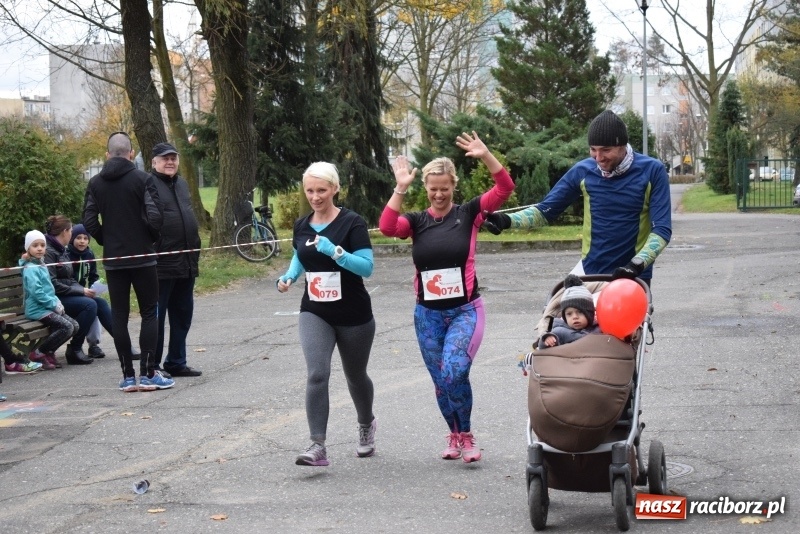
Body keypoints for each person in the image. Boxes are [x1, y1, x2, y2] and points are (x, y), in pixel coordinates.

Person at [379, 131, 515, 463]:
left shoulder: (469, 214)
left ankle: (467, 435)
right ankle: (454, 435)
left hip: (465, 310)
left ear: (454, 185)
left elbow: (505, 189)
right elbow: (385, 226)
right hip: (427, 315)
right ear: (425, 188)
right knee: (441, 380)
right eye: (433, 189)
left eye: (445, 188)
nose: (439, 194)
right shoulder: (416, 221)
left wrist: (485, 155)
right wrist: (400, 187)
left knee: (454, 371)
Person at [483, 110, 672, 286]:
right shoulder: (584, 170)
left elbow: (662, 230)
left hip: (632, 274)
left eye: (606, 150)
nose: (598, 158)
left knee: (618, 322)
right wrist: (506, 220)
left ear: (622, 146)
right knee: (555, 315)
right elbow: (544, 211)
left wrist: (636, 265)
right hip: (590, 270)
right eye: (593, 149)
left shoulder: (651, 170)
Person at [276, 161, 376, 467]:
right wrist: (289, 277)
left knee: (355, 376)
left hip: (354, 313)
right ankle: (317, 446)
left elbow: (367, 268)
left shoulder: (352, 223)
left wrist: (336, 252)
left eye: (321, 190)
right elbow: (299, 255)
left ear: (334, 189)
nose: (315, 196)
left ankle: (366, 424)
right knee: (317, 374)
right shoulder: (302, 225)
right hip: (315, 311)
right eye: (310, 190)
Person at [83, 131, 174, 393]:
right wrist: (150, 240)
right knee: (149, 312)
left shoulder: (95, 183)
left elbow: (89, 221)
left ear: (107, 154)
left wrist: (107, 240)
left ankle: (127, 376)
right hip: (143, 257)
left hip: (114, 259)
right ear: (131, 154)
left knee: (120, 316)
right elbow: (156, 217)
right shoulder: (143, 179)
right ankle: (148, 374)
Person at [149, 142, 202, 378]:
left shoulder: (181, 184)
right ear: (154, 162)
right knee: (157, 319)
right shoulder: (148, 185)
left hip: (187, 261)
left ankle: (176, 361)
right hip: (161, 264)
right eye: (165, 158)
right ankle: (153, 364)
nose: (170, 162)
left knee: (182, 315)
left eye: (173, 158)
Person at [43, 215, 112, 365]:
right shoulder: (49, 251)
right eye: (72, 232)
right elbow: (52, 284)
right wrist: (81, 292)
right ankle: (75, 349)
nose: (72, 235)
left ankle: (122, 342)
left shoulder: (60, 250)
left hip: (64, 295)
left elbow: (70, 278)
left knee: (98, 301)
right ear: (65, 232)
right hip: (52, 299)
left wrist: (84, 290)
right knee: (89, 305)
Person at [19, 230, 79, 370]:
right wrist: (53, 304)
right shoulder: (30, 268)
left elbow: (49, 288)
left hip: (47, 306)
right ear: (28, 248)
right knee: (67, 326)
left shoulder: (41, 264)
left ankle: (49, 351)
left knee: (74, 326)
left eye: (42, 245)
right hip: (37, 309)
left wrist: (57, 302)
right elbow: (37, 292)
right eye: (35, 245)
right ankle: (39, 353)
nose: (39, 248)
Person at [538, 274, 600, 348]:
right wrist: (547, 339)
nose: (575, 317)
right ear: (564, 316)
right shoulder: (560, 331)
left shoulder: (599, 329)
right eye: (569, 314)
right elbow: (543, 348)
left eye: (580, 312)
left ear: (590, 313)